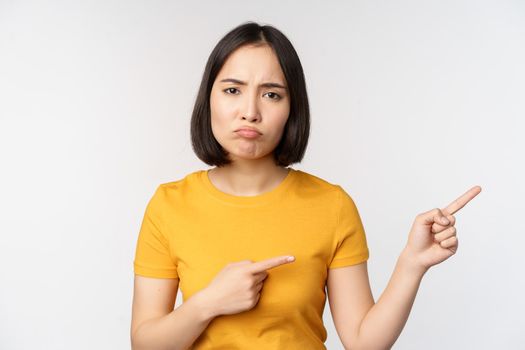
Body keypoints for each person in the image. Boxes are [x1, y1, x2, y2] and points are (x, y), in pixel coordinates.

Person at [130, 21, 482, 350]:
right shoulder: (169, 205)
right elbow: (144, 343)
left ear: (292, 108)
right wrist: (208, 303)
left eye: (271, 95)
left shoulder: (331, 205)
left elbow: (363, 342)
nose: (250, 111)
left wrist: (412, 263)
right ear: (209, 99)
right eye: (233, 90)